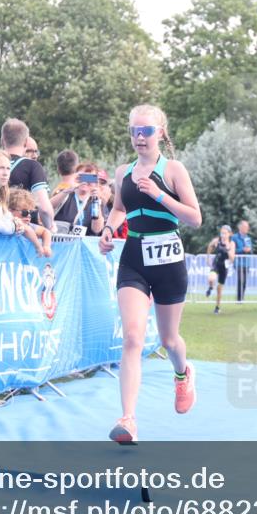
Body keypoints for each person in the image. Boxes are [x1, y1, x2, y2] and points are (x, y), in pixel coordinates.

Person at [99, 104, 201, 444]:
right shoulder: (122, 172)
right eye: (134, 132)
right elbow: (118, 209)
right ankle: (127, 419)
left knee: (170, 340)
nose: (139, 138)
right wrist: (109, 231)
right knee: (132, 337)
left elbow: (194, 218)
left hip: (169, 259)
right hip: (134, 258)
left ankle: (182, 373)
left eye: (146, 131)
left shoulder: (173, 169)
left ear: (160, 133)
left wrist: (159, 194)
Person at [54, 162, 105, 235]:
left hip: (84, 245)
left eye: (90, 178)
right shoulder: (65, 194)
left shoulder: (96, 201)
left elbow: (97, 230)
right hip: (62, 243)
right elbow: (47, 208)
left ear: (96, 182)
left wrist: (96, 200)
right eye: (82, 177)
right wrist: (69, 188)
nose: (85, 181)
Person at [9, 188, 53, 257]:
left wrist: (46, 246)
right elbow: (27, 230)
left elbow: (45, 232)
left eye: (31, 212)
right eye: (25, 212)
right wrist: (38, 247)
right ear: (10, 211)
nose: (29, 215)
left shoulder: (28, 224)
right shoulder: (7, 221)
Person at [205, 225, 236, 314]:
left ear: (229, 234)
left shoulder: (231, 243)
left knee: (219, 288)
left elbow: (232, 258)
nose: (223, 235)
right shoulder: (217, 240)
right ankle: (211, 287)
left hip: (224, 267)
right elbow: (210, 247)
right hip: (216, 263)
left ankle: (217, 307)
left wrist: (227, 248)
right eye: (222, 233)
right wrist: (208, 258)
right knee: (211, 278)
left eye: (225, 233)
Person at [231, 220, 253, 302]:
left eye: (247, 227)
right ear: (240, 227)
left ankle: (241, 298)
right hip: (238, 262)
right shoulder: (234, 237)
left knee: (244, 281)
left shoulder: (248, 238)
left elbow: (251, 251)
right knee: (240, 280)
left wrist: (249, 250)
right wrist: (242, 250)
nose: (247, 228)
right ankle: (239, 299)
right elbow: (233, 250)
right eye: (245, 227)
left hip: (246, 263)